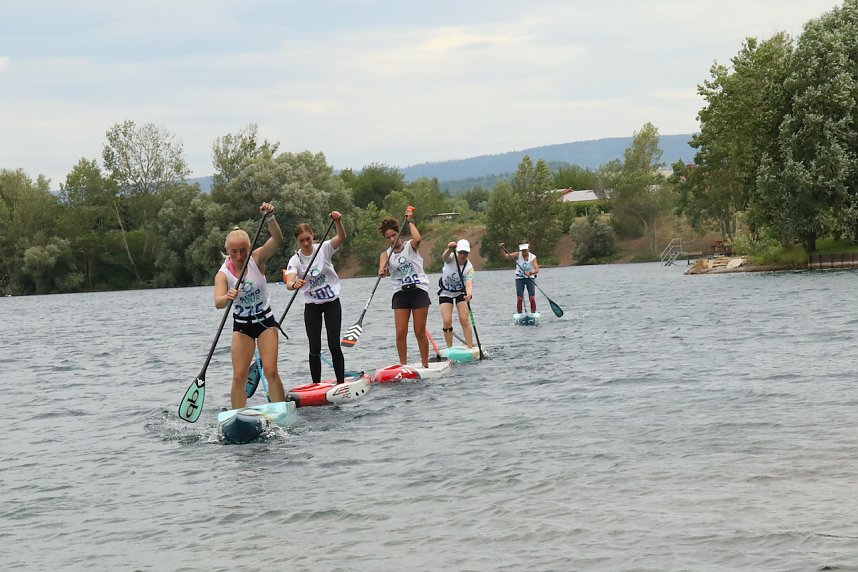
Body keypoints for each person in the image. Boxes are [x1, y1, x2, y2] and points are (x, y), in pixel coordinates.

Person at [215, 202, 286, 409]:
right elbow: (218, 302)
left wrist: (270, 217)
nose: (239, 256)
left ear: (249, 249)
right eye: (234, 252)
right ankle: (237, 416)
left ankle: (280, 410)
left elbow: (277, 239)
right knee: (239, 377)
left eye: (243, 251)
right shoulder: (223, 274)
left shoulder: (256, 258)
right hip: (242, 326)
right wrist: (227, 296)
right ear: (227, 251)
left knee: (270, 371)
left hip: (265, 322)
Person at [284, 211, 347, 384]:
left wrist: (338, 221)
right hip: (312, 306)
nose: (305, 243)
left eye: (308, 239)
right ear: (297, 241)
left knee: (334, 345)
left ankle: (340, 382)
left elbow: (341, 237)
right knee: (314, 348)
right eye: (301, 240)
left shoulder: (324, 248)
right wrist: (293, 284)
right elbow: (289, 279)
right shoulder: (295, 260)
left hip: (332, 303)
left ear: (313, 237)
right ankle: (316, 385)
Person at [378, 207, 431, 368]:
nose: (392, 239)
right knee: (401, 332)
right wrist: (382, 270)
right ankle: (404, 365)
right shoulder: (386, 254)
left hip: (418, 291)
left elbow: (418, 239)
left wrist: (410, 221)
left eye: (394, 235)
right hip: (400, 294)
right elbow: (383, 268)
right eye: (388, 237)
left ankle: (425, 365)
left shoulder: (410, 246)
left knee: (419, 331)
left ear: (399, 234)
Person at [438, 239, 475, 348]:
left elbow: (469, 283)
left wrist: (469, 294)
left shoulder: (469, 268)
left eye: (465, 253)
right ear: (457, 251)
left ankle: (469, 346)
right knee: (447, 321)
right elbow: (444, 257)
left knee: (464, 319)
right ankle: (450, 348)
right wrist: (449, 249)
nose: (463, 255)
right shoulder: (450, 258)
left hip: (460, 292)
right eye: (461, 252)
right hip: (446, 292)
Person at [499, 240, 540, 313]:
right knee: (520, 299)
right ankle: (520, 314)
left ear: (528, 249)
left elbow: (537, 270)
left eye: (525, 250)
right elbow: (504, 256)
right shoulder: (517, 255)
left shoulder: (533, 257)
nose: (524, 251)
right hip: (519, 279)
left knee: (532, 298)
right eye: (522, 250)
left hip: (529, 278)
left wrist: (531, 272)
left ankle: (533, 313)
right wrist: (501, 248)